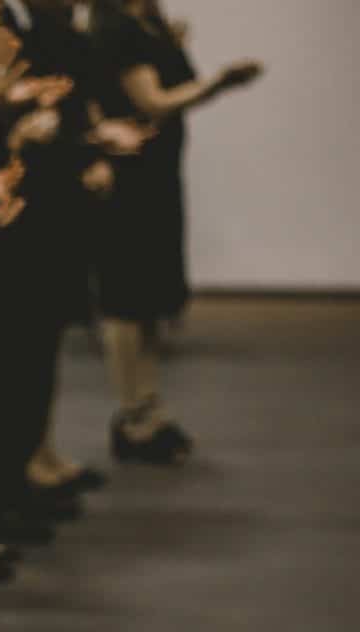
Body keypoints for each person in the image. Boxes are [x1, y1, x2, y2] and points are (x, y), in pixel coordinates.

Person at [89, 0, 262, 463]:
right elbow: (153, 101)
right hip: (129, 177)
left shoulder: (148, 23)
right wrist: (221, 82)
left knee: (147, 301)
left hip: (156, 173)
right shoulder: (118, 26)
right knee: (126, 301)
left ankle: (150, 408)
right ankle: (134, 412)